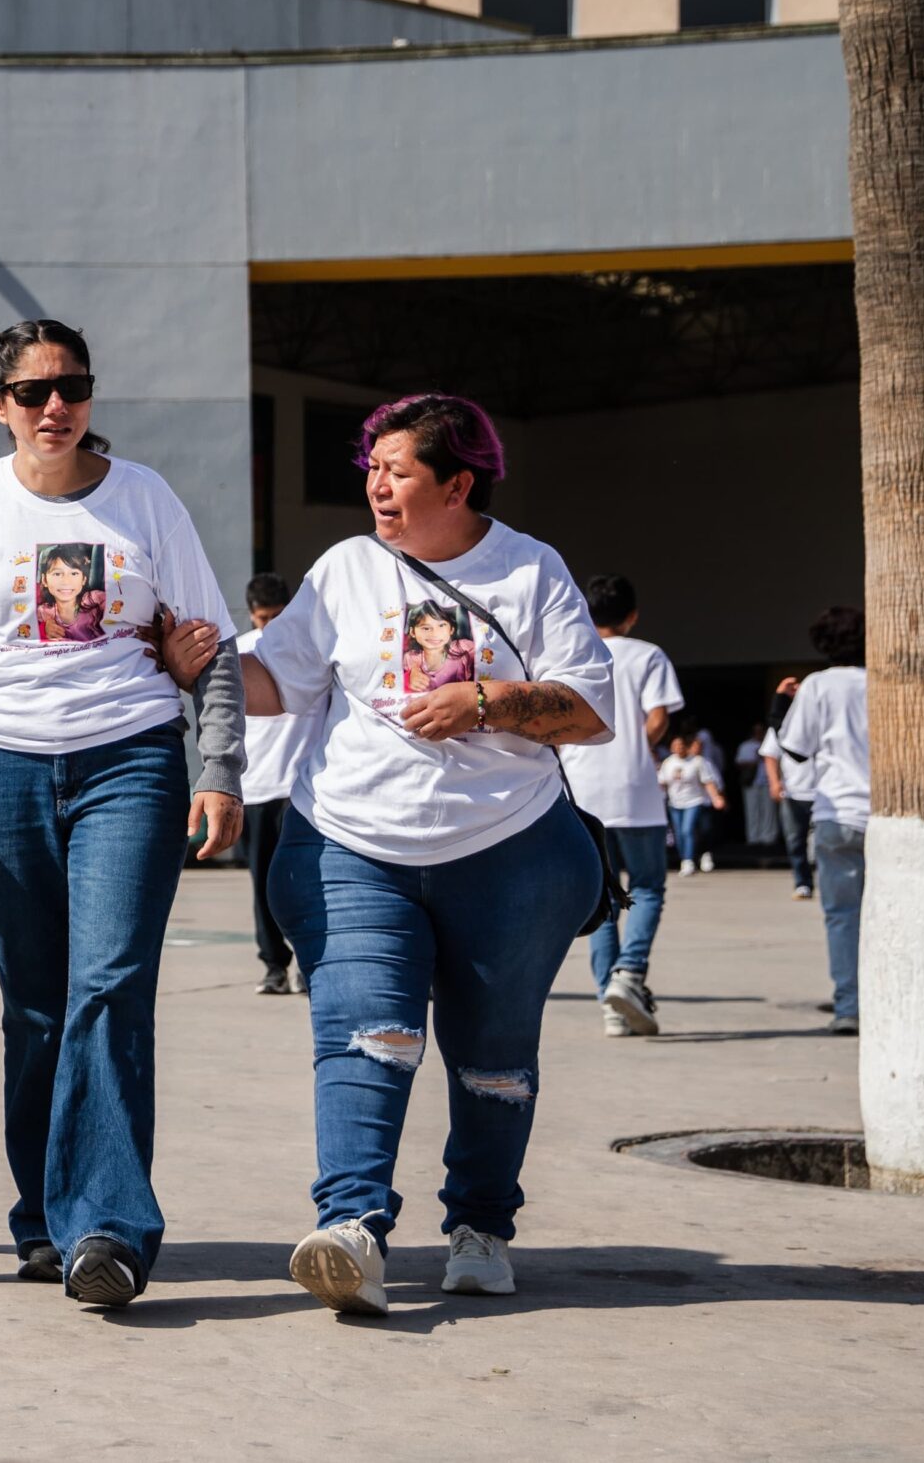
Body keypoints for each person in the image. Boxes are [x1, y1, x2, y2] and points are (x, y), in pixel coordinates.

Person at [0, 318, 243, 1311]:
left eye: (74, 387)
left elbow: (210, 645)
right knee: (36, 1008)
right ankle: (45, 1220)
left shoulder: (144, 497)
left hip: (128, 762)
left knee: (109, 987)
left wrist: (218, 768)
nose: (57, 407)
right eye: (34, 391)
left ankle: (108, 1229)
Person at [241, 392, 613, 1317]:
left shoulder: (530, 568)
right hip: (351, 845)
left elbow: (588, 708)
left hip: (509, 852)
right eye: (371, 469)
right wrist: (190, 655)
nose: (377, 486)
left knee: (493, 1053)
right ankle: (351, 1226)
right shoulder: (345, 568)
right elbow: (276, 682)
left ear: (457, 483)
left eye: (397, 470)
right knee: (368, 1032)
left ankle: (481, 1226)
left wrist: (484, 701)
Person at [557, 573, 683, 1037]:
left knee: (603, 896)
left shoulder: (573, 652)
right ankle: (629, 973)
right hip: (636, 790)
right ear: (632, 616)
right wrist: (636, 748)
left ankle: (609, 1003)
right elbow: (658, 716)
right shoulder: (648, 654)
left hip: (584, 788)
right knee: (647, 887)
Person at [767, 607, 870, 1035]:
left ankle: (850, 1006)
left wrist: (781, 705)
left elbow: (795, 749)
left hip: (836, 812)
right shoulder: (883, 680)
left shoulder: (818, 685)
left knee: (843, 915)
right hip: (886, 815)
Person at [238, 573, 316, 996]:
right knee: (263, 884)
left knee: (305, 883)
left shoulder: (312, 648)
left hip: (301, 789)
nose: (269, 626)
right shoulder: (239, 652)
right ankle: (273, 966)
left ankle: (308, 963)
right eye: (262, 618)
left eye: (277, 616)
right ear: (251, 615)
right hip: (254, 788)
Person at [765, 699, 819, 902]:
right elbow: (770, 755)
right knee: (795, 841)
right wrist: (774, 782)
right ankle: (802, 882)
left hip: (823, 793)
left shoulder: (822, 720)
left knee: (824, 842)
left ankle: (827, 880)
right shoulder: (782, 725)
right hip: (793, 793)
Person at [657, 733, 726, 876]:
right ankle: (684, 858)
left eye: (681, 745)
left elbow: (708, 782)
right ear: (671, 748)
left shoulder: (697, 761)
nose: (679, 748)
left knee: (687, 830)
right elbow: (662, 783)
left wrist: (716, 798)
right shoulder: (668, 763)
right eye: (675, 745)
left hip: (694, 800)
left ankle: (688, 861)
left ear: (686, 747)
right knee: (678, 833)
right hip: (675, 803)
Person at [736, 723, 779, 847]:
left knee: (769, 811)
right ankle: (753, 837)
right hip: (751, 782)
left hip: (768, 782)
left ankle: (768, 837)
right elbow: (739, 763)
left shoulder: (771, 744)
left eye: (761, 731)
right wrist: (756, 759)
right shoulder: (746, 746)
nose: (759, 734)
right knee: (752, 810)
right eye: (757, 731)